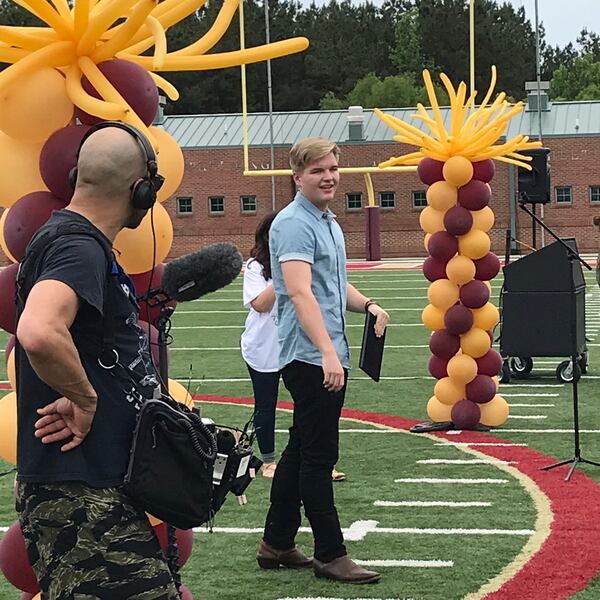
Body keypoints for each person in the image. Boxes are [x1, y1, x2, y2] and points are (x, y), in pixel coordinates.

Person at [14, 123, 179, 598]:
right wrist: (83, 399)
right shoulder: (78, 245)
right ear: (141, 189)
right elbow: (39, 330)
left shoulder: (69, 239)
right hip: (83, 493)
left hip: (85, 488)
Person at [256, 137, 389, 584]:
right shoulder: (295, 223)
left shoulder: (327, 221)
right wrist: (328, 353)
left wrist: (368, 304)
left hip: (325, 352)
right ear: (298, 177)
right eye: (317, 170)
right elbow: (298, 290)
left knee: (300, 450)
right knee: (319, 456)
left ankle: (276, 542)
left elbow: (333, 286)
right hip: (312, 356)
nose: (329, 176)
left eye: (333, 168)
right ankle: (330, 553)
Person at [241, 211, 280, 477]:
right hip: (262, 348)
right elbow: (261, 304)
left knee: (309, 402)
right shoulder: (256, 267)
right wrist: (284, 273)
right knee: (265, 405)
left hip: (296, 346)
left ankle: (311, 457)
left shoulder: (303, 260)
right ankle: (268, 460)